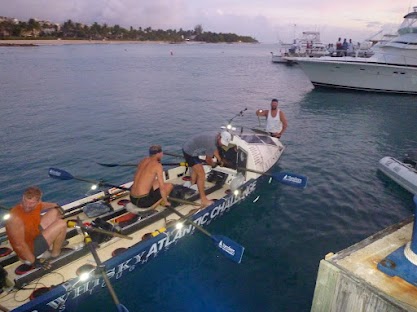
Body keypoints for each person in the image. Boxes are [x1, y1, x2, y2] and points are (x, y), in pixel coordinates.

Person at [6, 186, 67, 268]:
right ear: (23, 198)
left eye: (31, 203)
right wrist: (34, 261)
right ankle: (55, 254)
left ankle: (56, 241)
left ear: (38, 202)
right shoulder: (15, 218)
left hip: (34, 235)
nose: (27, 206)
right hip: (29, 251)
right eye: (25, 201)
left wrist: (56, 205)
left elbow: (43, 205)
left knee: (54, 212)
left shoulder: (37, 205)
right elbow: (19, 245)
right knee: (61, 224)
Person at [182, 131, 231, 207]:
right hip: (190, 152)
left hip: (188, 147)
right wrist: (213, 165)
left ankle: (192, 184)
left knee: (196, 168)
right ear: (219, 137)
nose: (222, 144)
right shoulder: (211, 143)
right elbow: (208, 160)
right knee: (201, 174)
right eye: (222, 142)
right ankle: (203, 199)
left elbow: (215, 150)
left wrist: (219, 159)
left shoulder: (215, 137)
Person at [130, 145, 173, 210]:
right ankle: (151, 208)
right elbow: (162, 187)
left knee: (154, 181)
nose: (162, 155)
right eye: (161, 153)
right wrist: (166, 200)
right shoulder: (157, 166)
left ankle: (152, 199)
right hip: (143, 202)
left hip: (132, 198)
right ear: (158, 154)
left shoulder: (143, 160)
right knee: (169, 186)